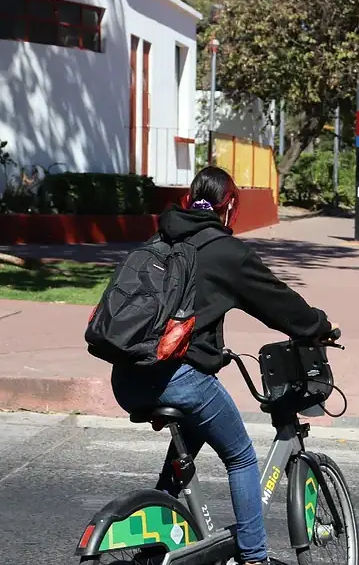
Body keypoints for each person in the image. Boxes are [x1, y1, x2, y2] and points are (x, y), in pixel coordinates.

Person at [110, 166, 335, 565]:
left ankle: (155, 536)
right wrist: (318, 326)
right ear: (228, 207)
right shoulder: (226, 251)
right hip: (177, 379)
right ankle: (254, 557)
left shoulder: (161, 240)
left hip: (127, 378)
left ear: (187, 202)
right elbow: (277, 302)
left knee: (189, 444)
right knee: (241, 456)